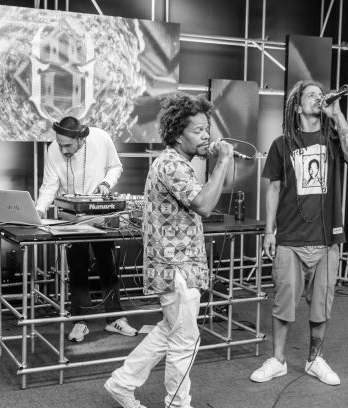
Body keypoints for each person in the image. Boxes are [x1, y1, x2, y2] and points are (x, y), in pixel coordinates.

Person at [104, 93, 234, 408]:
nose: (206, 136)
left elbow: (205, 197)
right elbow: (204, 205)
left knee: (169, 331)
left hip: (178, 265)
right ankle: (177, 404)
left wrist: (220, 164)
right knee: (185, 341)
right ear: (177, 135)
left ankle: (121, 383)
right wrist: (223, 162)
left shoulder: (174, 162)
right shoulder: (173, 166)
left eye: (207, 129)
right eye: (197, 131)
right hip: (177, 269)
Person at [250, 80, 348, 386]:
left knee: (321, 304)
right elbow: (273, 189)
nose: (318, 97)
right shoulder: (282, 144)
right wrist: (269, 232)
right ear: (297, 107)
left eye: (320, 94)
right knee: (283, 303)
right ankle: (278, 360)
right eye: (311, 95)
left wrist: (337, 114)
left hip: (326, 239)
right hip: (290, 238)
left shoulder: (333, 139)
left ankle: (315, 359)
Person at [35, 116, 137, 342]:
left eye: (68, 145)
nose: (63, 150)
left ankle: (115, 319)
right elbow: (49, 184)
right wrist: (40, 209)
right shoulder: (53, 150)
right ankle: (80, 322)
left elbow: (115, 166)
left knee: (107, 266)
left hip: (100, 216)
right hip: (71, 218)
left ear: (81, 139)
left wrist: (106, 184)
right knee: (77, 269)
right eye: (60, 144)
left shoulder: (101, 138)